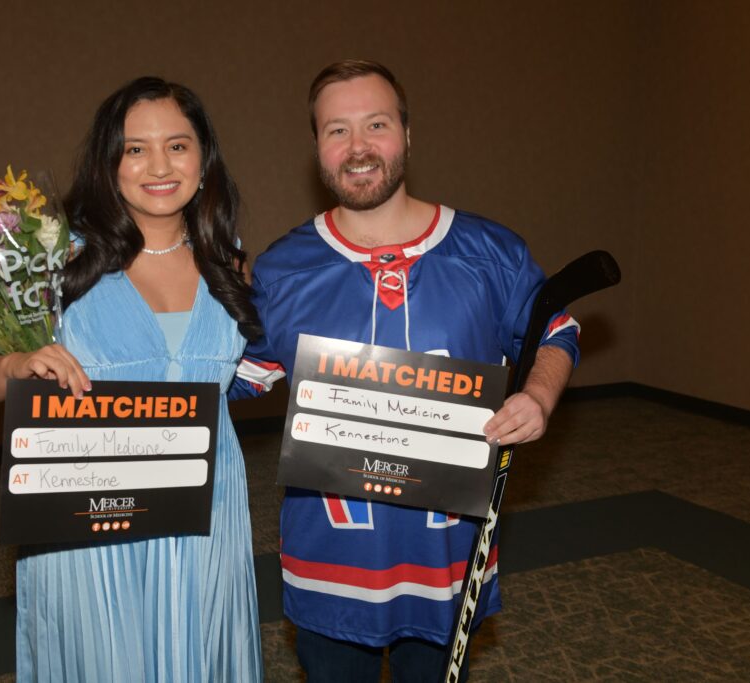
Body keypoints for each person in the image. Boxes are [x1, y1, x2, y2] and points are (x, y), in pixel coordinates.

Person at [229, 60, 580, 681]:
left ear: (408, 136)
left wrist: (540, 396)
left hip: (447, 565)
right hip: (328, 566)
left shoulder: (491, 252)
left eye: (376, 125)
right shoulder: (282, 270)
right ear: (316, 147)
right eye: (337, 130)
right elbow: (232, 376)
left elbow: (555, 329)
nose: (358, 147)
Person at [0, 77, 264, 682]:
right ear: (109, 164)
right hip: (91, 523)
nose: (159, 165)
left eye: (178, 146)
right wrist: (16, 363)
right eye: (135, 149)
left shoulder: (230, 260)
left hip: (208, 511)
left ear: (204, 161)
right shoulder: (55, 258)